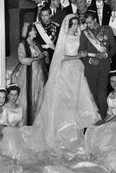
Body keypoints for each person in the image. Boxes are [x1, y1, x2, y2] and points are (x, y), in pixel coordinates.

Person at [30, 14, 101, 157]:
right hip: (67, 71)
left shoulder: (80, 36)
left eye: (76, 24)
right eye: (72, 24)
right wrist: (77, 56)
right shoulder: (64, 38)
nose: (75, 27)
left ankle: (78, 132)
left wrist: (85, 56)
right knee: (66, 102)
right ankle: (66, 133)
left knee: (78, 101)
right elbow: (60, 57)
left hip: (78, 71)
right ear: (67, 26)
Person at [79, 11, 116, 119]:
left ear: (95, 20)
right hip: (90, 68)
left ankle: (104, 118)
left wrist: (106, 54)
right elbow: (81, 52)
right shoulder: (84, 33)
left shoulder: (107, 30)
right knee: (93, 95)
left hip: (104, 66)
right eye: (86, 23)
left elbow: (114, 47)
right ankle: (97, 118)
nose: (88, 25)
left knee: (102, 94)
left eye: (90, 22)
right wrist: (90, 60)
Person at [11, 24, 46, 125]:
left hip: (38, 72)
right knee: (27, 96)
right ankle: (26, 122)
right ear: (29, 32)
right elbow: (22, 59)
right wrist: (36, 58)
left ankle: (37, 121)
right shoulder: (22, 44)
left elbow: (40, 56)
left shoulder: (36, 44)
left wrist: (43, 56)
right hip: (28, 73)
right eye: (34, 30)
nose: (35, 32)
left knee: (38, 96)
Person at [34, 6, 60, 71]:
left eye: (46, 15)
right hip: (39, 52)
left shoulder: (56, 27)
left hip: (53, 53)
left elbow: (59, 43)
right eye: (42, 15)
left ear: (50, 15)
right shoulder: (36, 26)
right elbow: (33, 41)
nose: (44, 18)